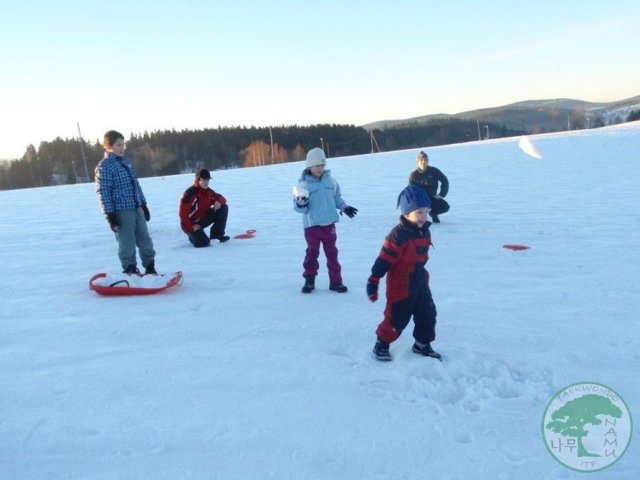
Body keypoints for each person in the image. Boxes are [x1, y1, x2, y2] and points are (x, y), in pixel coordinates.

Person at [367, 185, 441, 362]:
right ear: (407, 213)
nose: (424, 216)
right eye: (419, 212)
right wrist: (374, 279)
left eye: (426, 211)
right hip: (400, 284)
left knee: (428, 314)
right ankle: (382, 344)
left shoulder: (424, 230)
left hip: (420, 281)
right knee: (396, 318)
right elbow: (384, 260)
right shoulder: (398, 235)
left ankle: (422, 344)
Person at [293, 147, 358, 294]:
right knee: (312, 253)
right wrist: (301, 202)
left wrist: (344, 207)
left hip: (329, 225)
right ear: (309, 166)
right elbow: (300, 209)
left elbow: (336, 197)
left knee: (332, 254)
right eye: (317, 165)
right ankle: (309, 280)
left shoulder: (330, 180)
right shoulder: (303, 185)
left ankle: (336, 282)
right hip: (312, 226)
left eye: (322, 165)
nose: (320, 168)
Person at [95, 130, 157, 275]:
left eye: (123, 144)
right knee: (127, 243)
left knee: (145, 241)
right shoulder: (104, 166)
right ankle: (130, 270)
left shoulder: (125, 163)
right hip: (121, 212)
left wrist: (143, 204)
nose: (122, 148)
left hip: (136, 209)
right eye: (118, 145)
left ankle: (150, 268)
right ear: (108, 147)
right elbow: (103, 193)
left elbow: (136, 184)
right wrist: (110, 215)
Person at [179, 168, 230, 247]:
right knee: (203, 243)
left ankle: (217, 235)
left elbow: (222, 198)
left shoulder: (208, 192)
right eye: (204, 179)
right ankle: (192, 236)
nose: (206, 182)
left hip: (202, 219)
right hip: (191, 224)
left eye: (208, 179)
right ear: (198, 180)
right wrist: (190, 228)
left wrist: (218, 201)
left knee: (223, 207)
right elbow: (183, 215)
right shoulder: (189, 194)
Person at [408, 150, 449, 223]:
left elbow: (445, 180)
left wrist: (442, 194)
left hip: (433, 197)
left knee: (445, 207)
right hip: (420, 200)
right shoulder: (413, 175)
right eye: (421, 160)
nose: (424, 162)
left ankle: (433, 213)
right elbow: (411, 191)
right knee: (420, 221)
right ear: (417, 162)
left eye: (425, 160)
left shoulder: (434, 171)